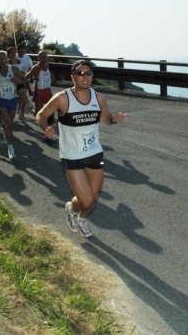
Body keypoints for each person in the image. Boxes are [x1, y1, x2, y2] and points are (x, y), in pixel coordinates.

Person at [36, 60, 128, 238]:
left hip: (94, 152)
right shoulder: (63, 98)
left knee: (94, 196)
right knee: (86, 199)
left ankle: (82, 219)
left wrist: (114, 120)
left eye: (89, 73)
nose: (85, 77)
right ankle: (71, 208)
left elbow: (106, 118)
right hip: (72, 155)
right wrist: (45, 128)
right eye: (80, 73)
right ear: (73, 76)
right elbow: (42, 114)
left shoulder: (98, 97)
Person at [0, 50, 27, 161]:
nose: (1, 61)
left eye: (3, 58)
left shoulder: (13, 69)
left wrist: (17, 80)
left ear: (6, 58)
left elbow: (24, 79)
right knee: (9, 123)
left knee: (8, 124)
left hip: (13, 100)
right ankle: (10, 147)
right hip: (1, 101)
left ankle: (5, 133)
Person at [25, 50, 59, 141]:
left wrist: (54, 80)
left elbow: (49, 73)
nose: (44, 59)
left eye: (45, 57)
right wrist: (27, 89)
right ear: (38, 58)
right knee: (40, 115)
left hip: (48, 92)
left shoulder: (47, 65)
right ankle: (31, 109)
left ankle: (48, 132)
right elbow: (26, 77)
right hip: (39, 92)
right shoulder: (36, 68)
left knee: (51, 113)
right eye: (42, 57)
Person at [7, 46, 29, 125]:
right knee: (11, 102)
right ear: (8, 55)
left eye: (14, 52)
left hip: (19, 83)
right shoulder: (7, 63)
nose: (13, 54)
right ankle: (9, 117)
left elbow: (23, 72)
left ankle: (22, 115)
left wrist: (22, 76)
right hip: (10, 85)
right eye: (11, 53)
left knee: (24, 97)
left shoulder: (19, 62)